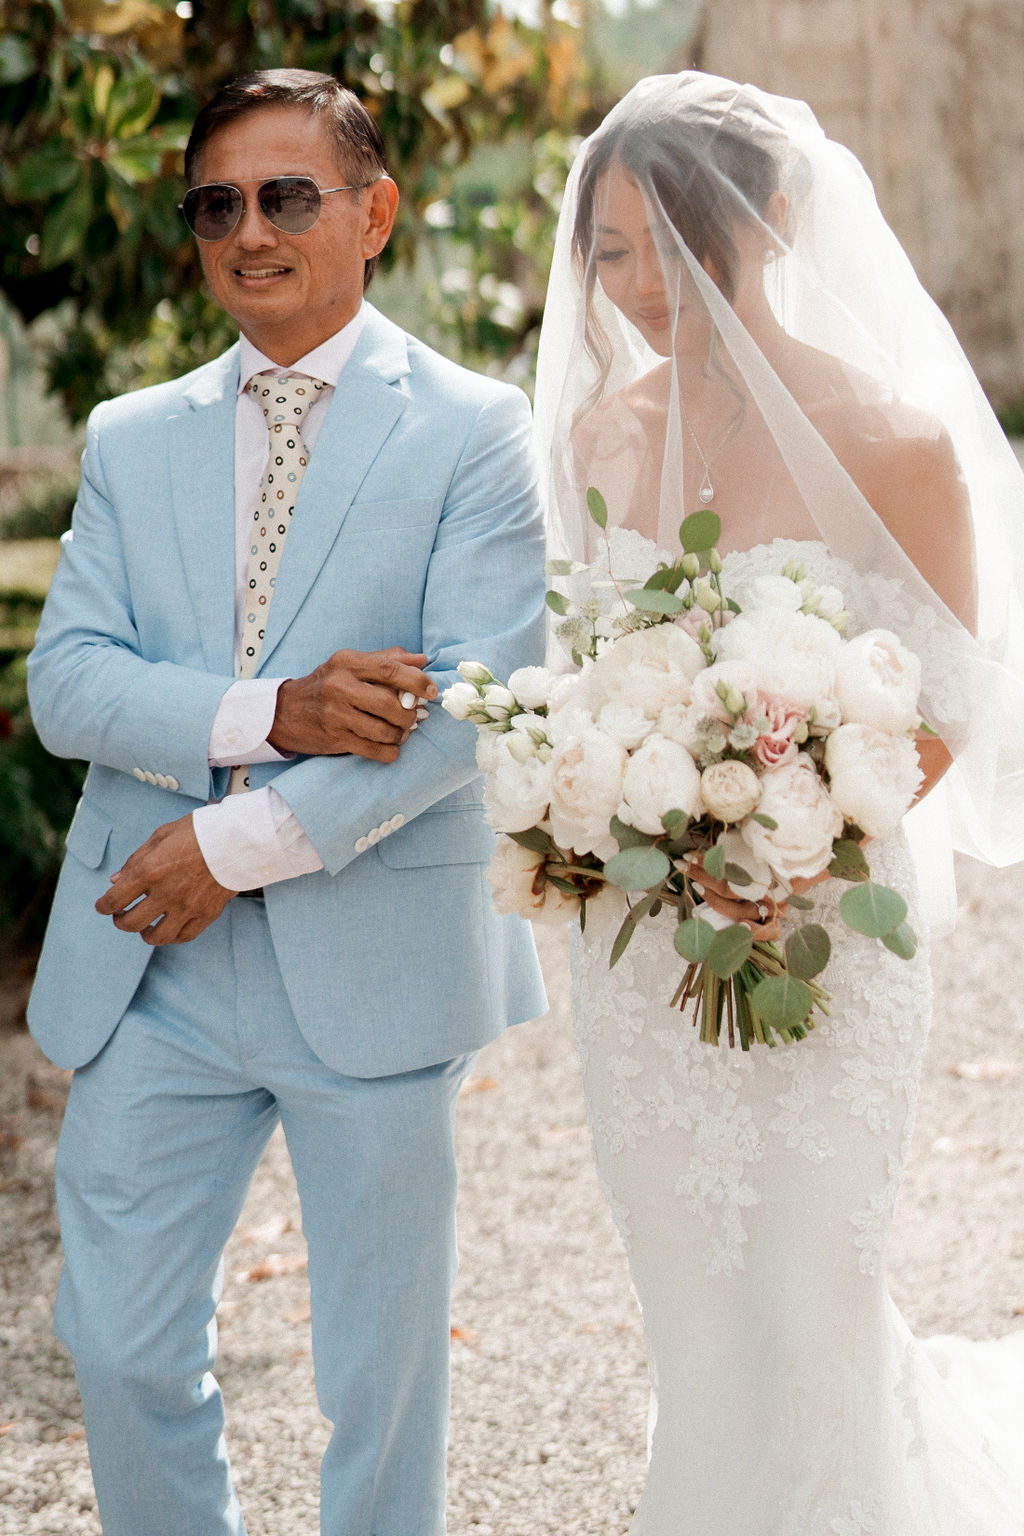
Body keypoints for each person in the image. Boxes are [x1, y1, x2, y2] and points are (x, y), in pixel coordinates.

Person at [26, 68, 546, 1536]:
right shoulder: (133, 436)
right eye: (217, 204)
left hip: (371, 954)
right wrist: (269, 714)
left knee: (379, 1384)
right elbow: (68, 681)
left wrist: (230, 844)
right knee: (118, 1345)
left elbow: (466, 708)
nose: (249, 229)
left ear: (371, 212)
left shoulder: (472, 426)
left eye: (287, 195)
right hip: (149, 964)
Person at [533, 71, 1024, 1533]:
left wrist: (792, 844)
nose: (645, 285)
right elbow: (592, 681)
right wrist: (641, 828)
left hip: (833, 924)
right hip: (643, 955)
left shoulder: (898, 439)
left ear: (776, 221)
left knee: (811, 1284)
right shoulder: (597, 440)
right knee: (691, 1285)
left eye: (678, 243)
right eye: (611, 252)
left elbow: (949, 698)